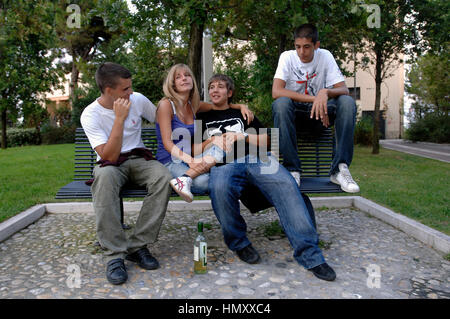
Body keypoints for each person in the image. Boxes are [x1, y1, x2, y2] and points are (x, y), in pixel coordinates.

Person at [196, 74, 336, 281]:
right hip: (223, 161)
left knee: (286, 184)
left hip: (255, 156)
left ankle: (311, 255)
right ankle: (239, 243)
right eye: (211, 87)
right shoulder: (202, 117)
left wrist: (242, 136)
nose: (214, 90)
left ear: (230, 92)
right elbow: (196, 146)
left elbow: (269, 141)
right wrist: (214, 141)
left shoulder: (242, 114)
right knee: (219, 187)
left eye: (220, 87)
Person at [80, 62, 172, 285]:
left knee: (164, 177)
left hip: (138, 158)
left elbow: (163, 118)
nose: (131, 92)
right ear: (108, 90)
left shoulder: (138, 100)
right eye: (125, 89)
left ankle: (137, 245)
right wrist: (119, 118)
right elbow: (108, 157)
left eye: (131, 87)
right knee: (104, 179)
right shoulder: (90, 114)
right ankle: (114, 255)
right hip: (111, 163)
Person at [272, 23, 360, 193]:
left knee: (347, 103)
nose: (301, 52)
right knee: (281, 104)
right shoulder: (287, 57)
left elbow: (343, 89)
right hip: (296, 117)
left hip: (321, 117)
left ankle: (339, 170)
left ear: (316, 45)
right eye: (297, 47)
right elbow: (276, 91)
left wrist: (325, 92)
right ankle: (292, 170)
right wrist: (316, 99)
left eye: (306, 47)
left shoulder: (325, 56)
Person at [155, 63, 253, 202]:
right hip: (171, 161)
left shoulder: (193, 105)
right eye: (178, 77)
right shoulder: (166, 105)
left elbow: (219, 105)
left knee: (223, 140)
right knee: (205, 183)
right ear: (173, 84)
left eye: (187, 75)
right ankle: (188, 177)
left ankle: (185, 178)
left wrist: (241, 106)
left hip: (191, 157)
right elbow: (167, 144)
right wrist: (192, 161)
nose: (184, 78)